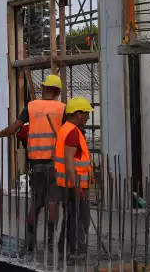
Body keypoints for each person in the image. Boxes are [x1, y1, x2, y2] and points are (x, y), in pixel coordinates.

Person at [0, 74, 66, 250]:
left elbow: (15, 127)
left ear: (43, 88)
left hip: (36, 163)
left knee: (36, 202)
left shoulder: (31, 107)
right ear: (58, 91)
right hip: (55, 163)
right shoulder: (62, 109)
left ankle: (30, 241)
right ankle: (50, 241)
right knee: (53, 201)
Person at [54, 97, 94, 258]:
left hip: (68, 183)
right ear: (78, 114)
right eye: (86, 114)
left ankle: (65, 249)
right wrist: (77, 184)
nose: (88, 117)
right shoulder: (72, 132)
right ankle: (75, 250)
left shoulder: (66, 128)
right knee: (80, 218)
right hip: (74, 183)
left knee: (71, 216)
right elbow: (69, 159)